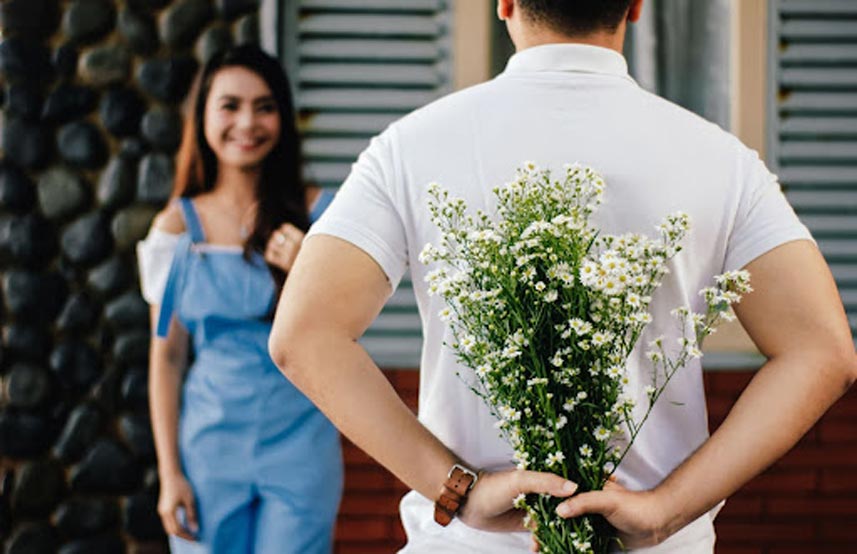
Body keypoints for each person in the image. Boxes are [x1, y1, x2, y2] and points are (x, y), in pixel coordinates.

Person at [268, 0, 857, 553]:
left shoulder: (411, 147)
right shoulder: (721, 160)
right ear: (635, 6)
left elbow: (303, 336)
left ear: (504, 1)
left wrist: (459, 491)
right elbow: (823, 352)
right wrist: (667, 509)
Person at [137, 45, 341, 553]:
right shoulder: (176, 229)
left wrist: (306, 274)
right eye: (230, 105)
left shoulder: (323, 216)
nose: (247, 122)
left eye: (265, 106)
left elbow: (347, 335)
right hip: (208, 451)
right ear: (203, 115)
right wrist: (169, 473)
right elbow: (166, 355)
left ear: (283, 118)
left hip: (302, 444)